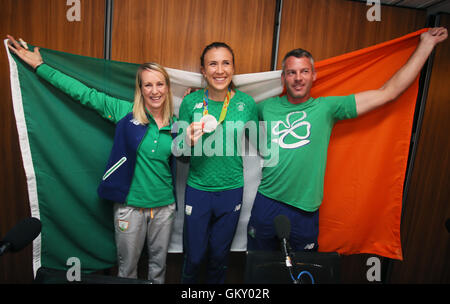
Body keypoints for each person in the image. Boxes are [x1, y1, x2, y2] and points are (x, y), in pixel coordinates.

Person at [247, 27, 448, 252]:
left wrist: (426, 45)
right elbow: (236, 117)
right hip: (267, 202)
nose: (298, 78)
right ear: (283, 77)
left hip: (304, 210)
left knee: (304, 272)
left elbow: (388, 92)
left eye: (304, 71)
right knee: (258, 268)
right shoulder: (266, 106)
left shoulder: (326, 108)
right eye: (291, 72)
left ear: (314, 75)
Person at [7, 35, 177, 284]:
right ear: (140, 89)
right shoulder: (124, 112)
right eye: (148, 85)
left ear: (167, 87)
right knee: (127, 271)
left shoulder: (177, 123)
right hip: (129, 208)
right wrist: (40, 66)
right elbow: (83, 93)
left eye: (160, 84)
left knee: (158, 269)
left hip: (164, 207)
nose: (154, 91)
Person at [177, 42, 258, 284]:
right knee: (194, 258)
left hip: (231, 191)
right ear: (203, 70)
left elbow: (263, 144)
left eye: (226, 63)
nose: (220, 70)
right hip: (198, 190)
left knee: (219, 258)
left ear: (233, 68)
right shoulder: (189, 104)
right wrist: (187, 143)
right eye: (213, 63)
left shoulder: (247, 103)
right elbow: (178, 154)